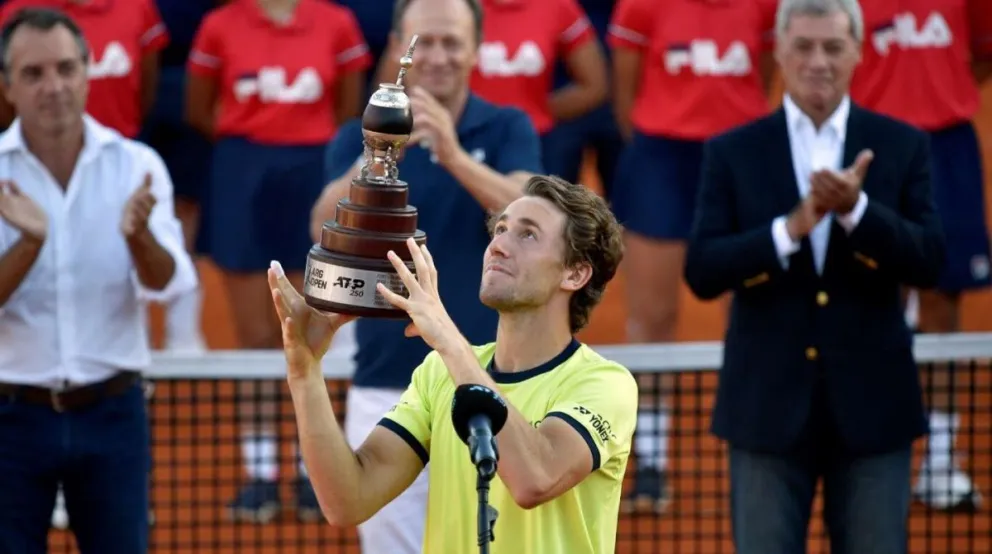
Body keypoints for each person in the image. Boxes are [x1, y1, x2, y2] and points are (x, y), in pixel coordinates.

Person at [683, 0, 945, 552]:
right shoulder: (731, 151)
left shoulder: (903, 144)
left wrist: (857, 212)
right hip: (764, 413)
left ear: (858, 51)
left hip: (875, 411)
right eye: (803, 46)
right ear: (778, 51)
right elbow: (703, 271)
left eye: (832, 46)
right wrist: (790, 229)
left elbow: (930, 261)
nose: (818, 61)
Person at [277, 174, 636, 554]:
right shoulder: (438, 374)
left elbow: (536, 479)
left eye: (527, 235)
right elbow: (349, 500)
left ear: (575, 273)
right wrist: (305, 373)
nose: (498, 246)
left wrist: (448, 338)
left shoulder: (604, 384)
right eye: (500, 229)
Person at [310, 0, 543, 549]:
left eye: (451, 42)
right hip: (388, 386)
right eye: (424, 43)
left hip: (496, 381)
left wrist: (456, 156)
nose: (437, 57)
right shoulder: (360, 138)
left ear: (477, 49)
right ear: (398, 49)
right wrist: (378, 153)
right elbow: (322, 223)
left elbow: (535, 222)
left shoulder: (508, 126)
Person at [0, 7, 197, 554]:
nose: (53, 86)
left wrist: (139, 237)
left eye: (66, 68)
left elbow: (166, 284)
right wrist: (29, 244)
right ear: (8, 87)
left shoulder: (139, 166)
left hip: (113, 417)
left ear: (89, 72)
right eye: (34, 74)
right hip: (10, 420)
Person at [184, 0, 372, 523]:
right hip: (242, 176)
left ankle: (315, 471)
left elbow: (347, 112)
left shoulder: (336, 22)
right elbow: (200, 110)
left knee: (315, 332)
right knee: (255, 337)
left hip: (311, 175)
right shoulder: (220, 24)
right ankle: (262, 474)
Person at [606, 0, 779, 513]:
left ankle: (755, 453)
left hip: (739, 157)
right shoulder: (640, 6)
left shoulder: (766, 6)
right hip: (663, 159)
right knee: (653, 317)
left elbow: (765, 75)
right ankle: (653, 464)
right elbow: (625, 97)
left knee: (751, 311)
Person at [849, 0, 991, 512]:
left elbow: (979, 55)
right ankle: (863, 454)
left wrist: (930, 101)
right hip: (872, 146)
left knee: (941, 301)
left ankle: (939, 462)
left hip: (946, 149)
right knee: (865, 294)